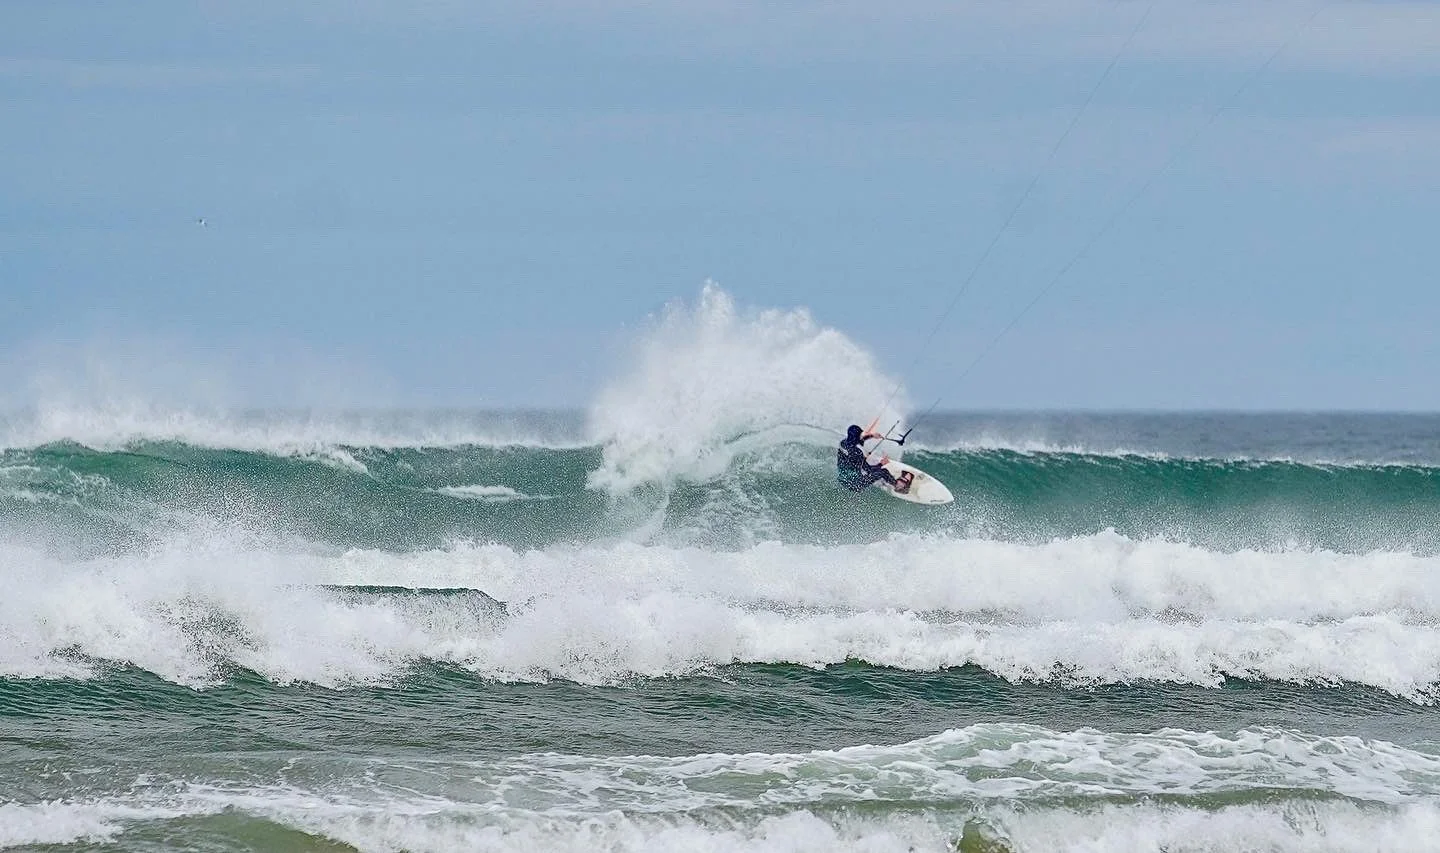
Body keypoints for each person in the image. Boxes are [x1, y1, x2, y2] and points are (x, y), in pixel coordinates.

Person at [836, 424, 898, 492]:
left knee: (860, 467)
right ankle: (897, 485)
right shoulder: (857, 453)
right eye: (860, 434)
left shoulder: (843, 443)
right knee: (883, 472)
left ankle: (884, 480)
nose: (861, 436)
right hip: (855, 484)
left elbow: (858, 441)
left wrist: (872, 436)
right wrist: (881, 463)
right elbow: (868, 469)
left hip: (842, 479)